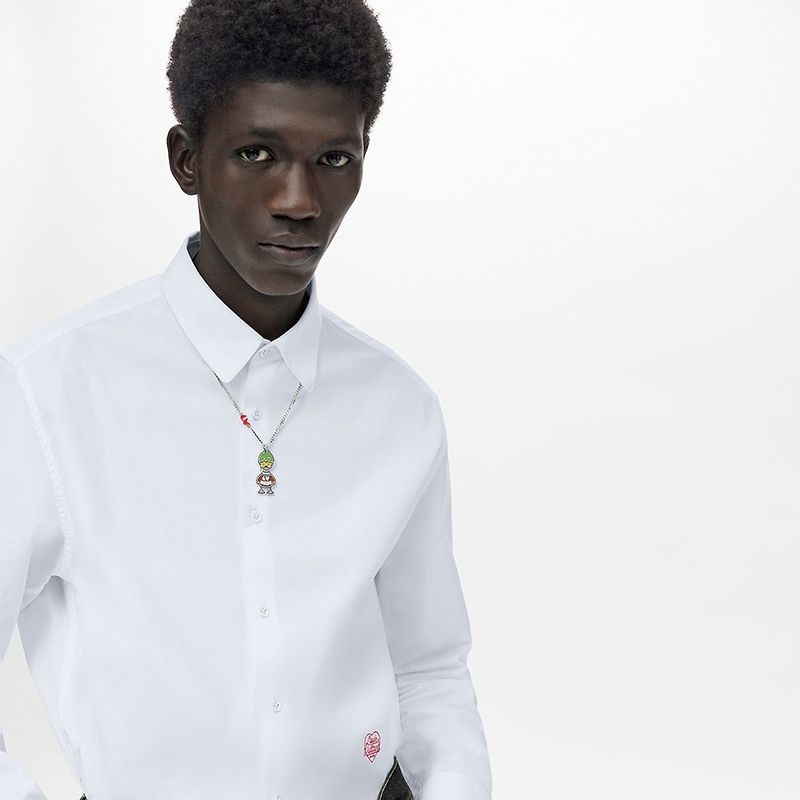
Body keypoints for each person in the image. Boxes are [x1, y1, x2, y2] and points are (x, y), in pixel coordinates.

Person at [0, 1, 493, 798]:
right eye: (257, 152)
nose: (299, 200)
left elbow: (428, 669)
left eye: (333, 158)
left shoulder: (398, 408)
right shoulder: (45, 393)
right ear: (187, 160)